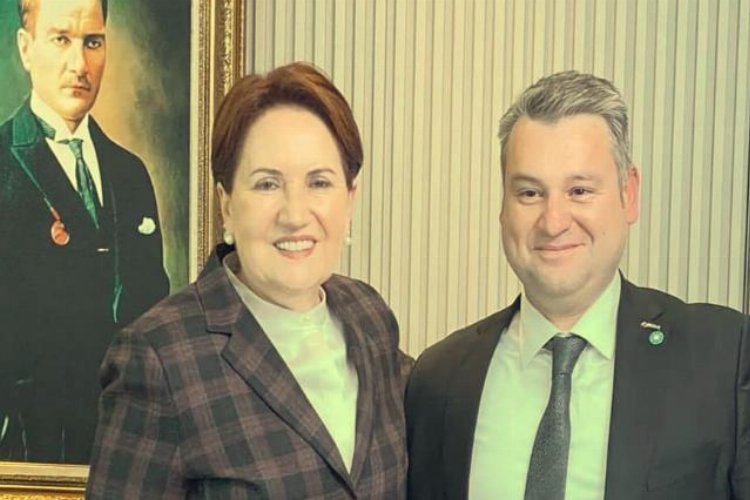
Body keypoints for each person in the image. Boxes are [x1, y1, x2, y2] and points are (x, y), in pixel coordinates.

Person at [405, 71, 750, 499]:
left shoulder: (725, 357)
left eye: (580, 191)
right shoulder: (438, 379)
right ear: (503, 206)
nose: (553, 222)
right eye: (530, 193)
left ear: (629, 194)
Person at [86, 62, 412, 498]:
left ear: (350, 199)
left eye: (319, 182)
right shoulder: (158, 359)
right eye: (267, 185)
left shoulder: (369, 317)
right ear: (226, 204)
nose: (295, 215)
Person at [0, 0, 169, 463]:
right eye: (61, 39)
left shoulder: (130, 174)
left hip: (129, 455)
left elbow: (152, 315)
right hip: (29, 459)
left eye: (92, 42)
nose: (79, 64)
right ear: (26, 48)